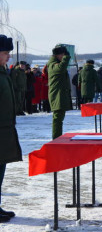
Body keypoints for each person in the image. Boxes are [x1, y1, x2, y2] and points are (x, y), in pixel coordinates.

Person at [0, 34, 22, 223]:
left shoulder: (2, 72)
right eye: (5, 53)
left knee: (0, 170)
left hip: (4, 130)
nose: (8, 57)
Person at [48, 44, 72, 139]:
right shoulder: (53, 65)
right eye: (62, 54)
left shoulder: (55, 63)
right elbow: (61, 68)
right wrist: (66, 58)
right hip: (57, 95)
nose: (63, 56)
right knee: (57, 119)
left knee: (59, 118)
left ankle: (57, 137)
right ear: (57, 55)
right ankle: (56, 138)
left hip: (60, 94)